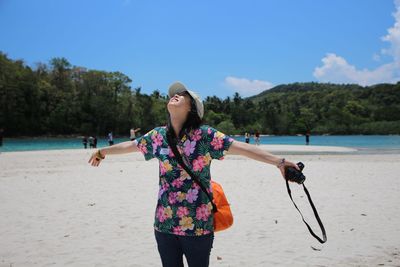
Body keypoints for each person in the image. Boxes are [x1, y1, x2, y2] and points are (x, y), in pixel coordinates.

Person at [88, 81, 299, 267]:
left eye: (184, 95)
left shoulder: (205, 136)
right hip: (164, 224)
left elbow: (243, 148)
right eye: (174, 93)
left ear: (192, 108)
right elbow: (131, 146)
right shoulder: (158, 136)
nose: (176, 95)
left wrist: (279, 162)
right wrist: (102, 152)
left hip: (197, 226)